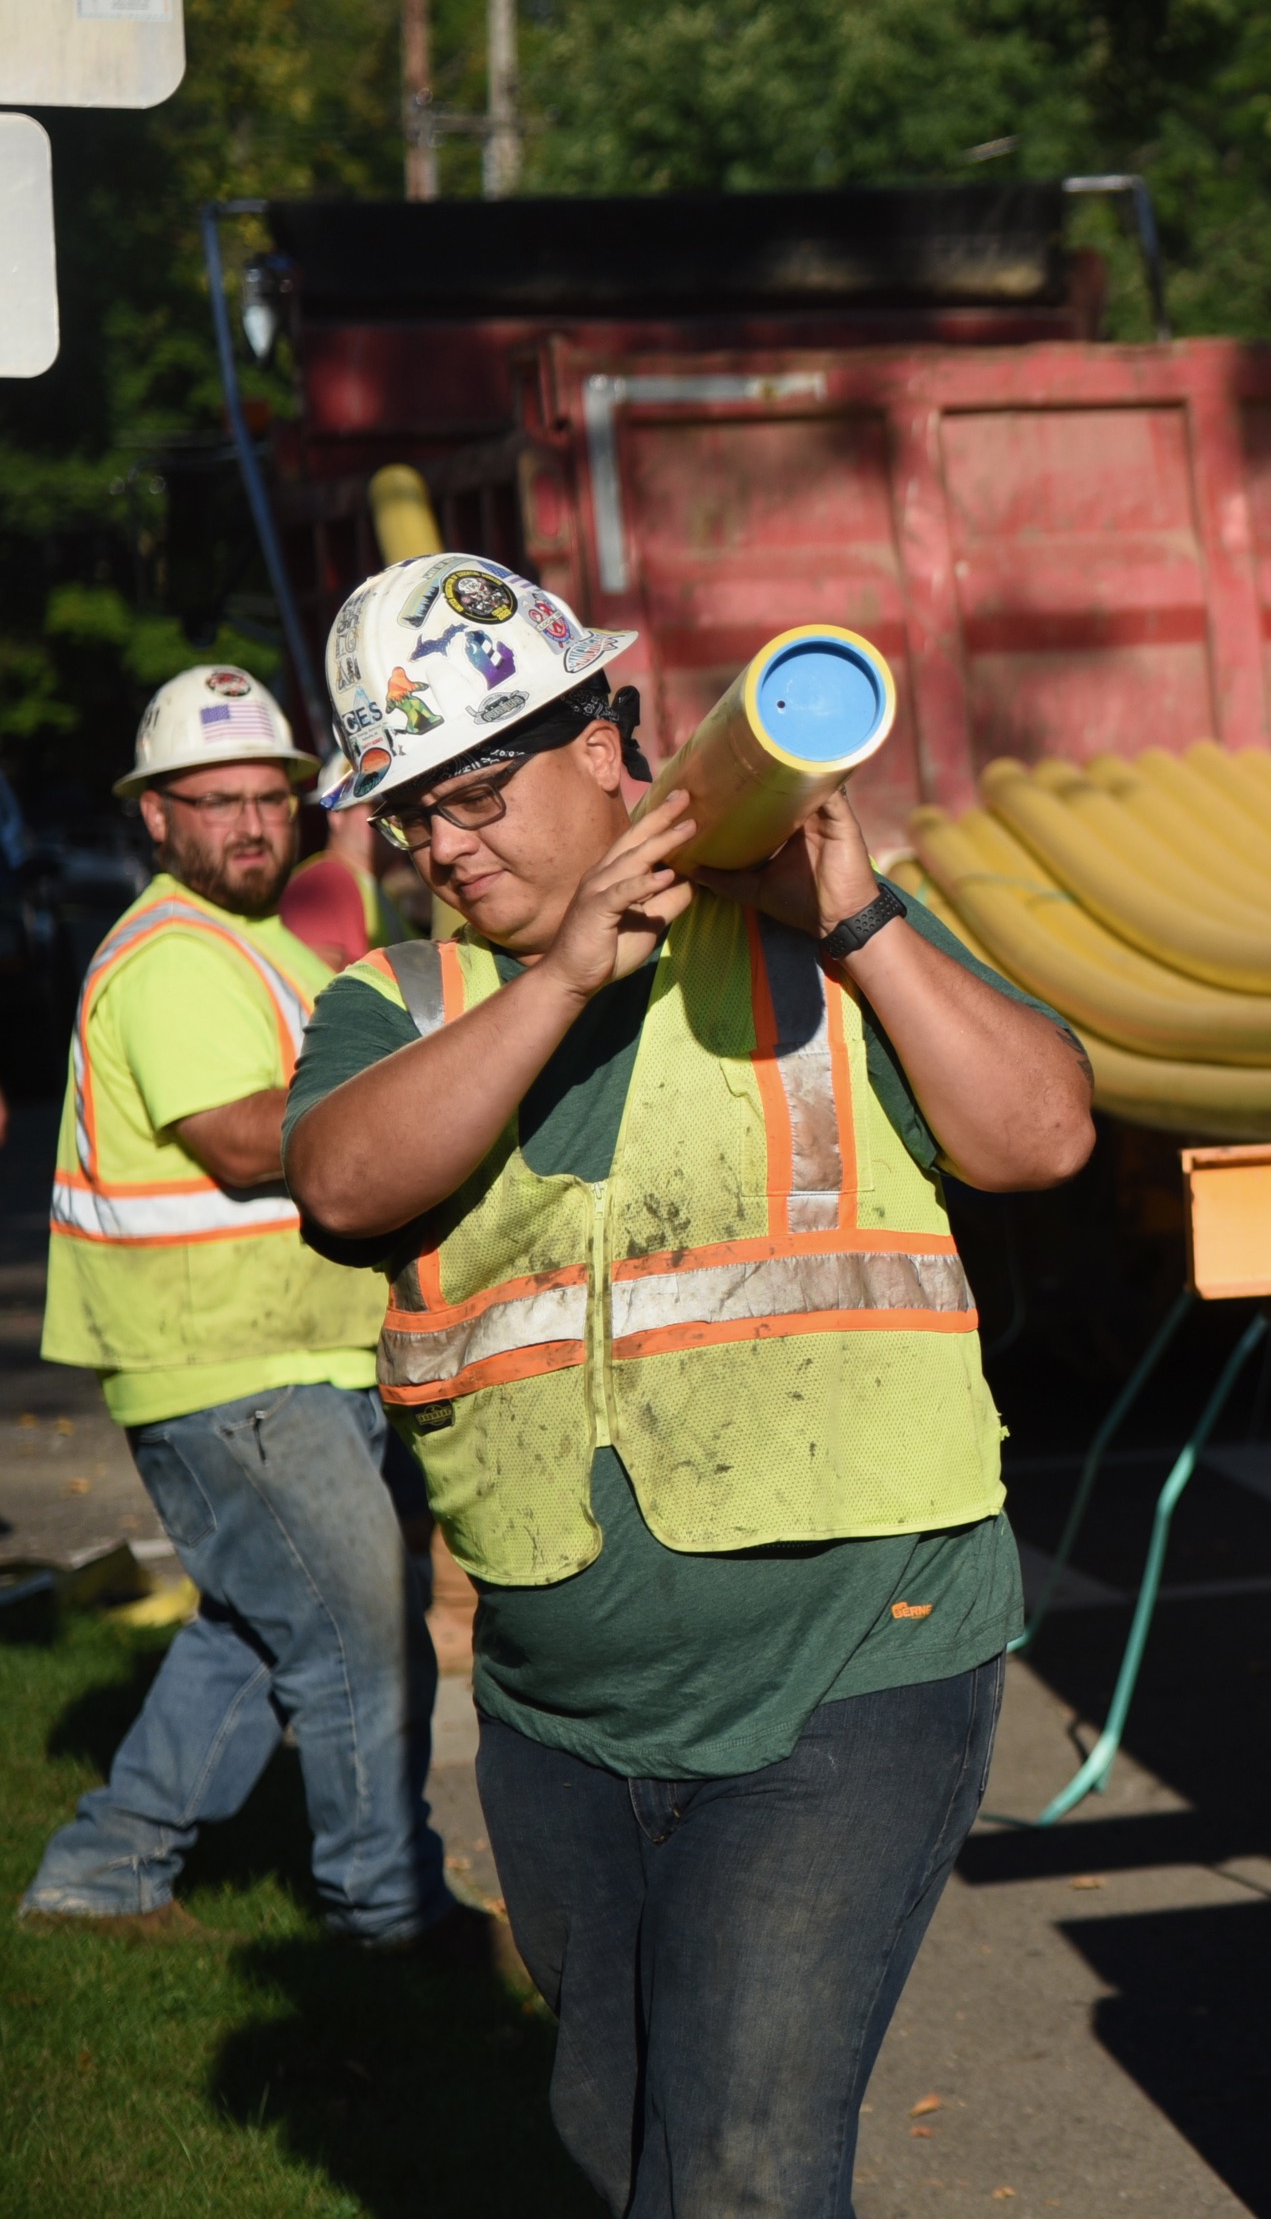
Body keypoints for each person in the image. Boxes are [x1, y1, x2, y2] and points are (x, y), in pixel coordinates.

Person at [283, 555, 1094, 2216]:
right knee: (615, 2146)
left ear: (605, 746)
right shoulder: (406, 998)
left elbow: (1043, 1134)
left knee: (739, 2168)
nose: (445, 847)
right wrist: (566, 971)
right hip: (562, 1707)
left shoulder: (809, 936)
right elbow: (346, 1187)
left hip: (854, 1660)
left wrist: (859, 921)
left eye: (476, 795)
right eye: (409, 817)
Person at [20, 665, 473, 1960]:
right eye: (212, 802)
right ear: (154, 818)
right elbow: (233, 1142)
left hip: (285, 1356)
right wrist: (416, 1112)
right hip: (229, 1365)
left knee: (252, 1625)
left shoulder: (263, 945)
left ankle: (104, 1874)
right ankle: (390, 1921)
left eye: (270, 799)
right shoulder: (170, 952)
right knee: (361, 1644)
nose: (249, 825)